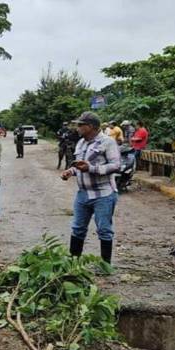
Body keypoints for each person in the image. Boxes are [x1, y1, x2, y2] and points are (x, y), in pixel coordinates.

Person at [61, 112, 120, 264]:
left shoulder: (108, 142)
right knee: (78, 228)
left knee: (104, 230)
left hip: (103, 194)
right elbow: (79, 164)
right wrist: (70, 171)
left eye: (81, 125)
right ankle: (73, 264)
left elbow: (116, 166)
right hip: (83, 194)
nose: (78, 127)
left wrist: (92, 169)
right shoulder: (81, 143)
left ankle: (105, 265)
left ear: (91, 127)